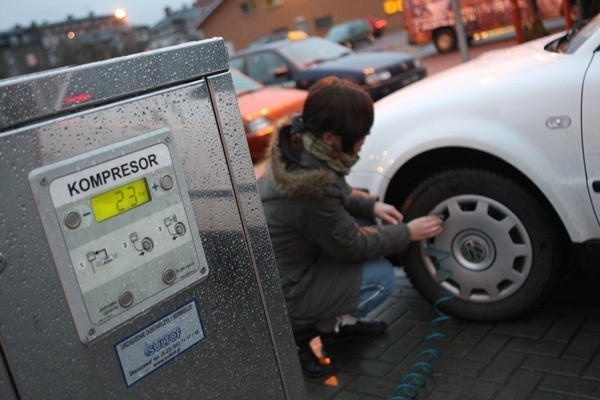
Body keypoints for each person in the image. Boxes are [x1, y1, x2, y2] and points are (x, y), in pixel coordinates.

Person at [257, 76, 443, 377]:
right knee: (382, 278)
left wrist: (370, 205)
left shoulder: (301, 145)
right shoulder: (309, 190)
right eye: (359, 137)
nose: (362, 143)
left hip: (294, 261)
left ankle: (337, 321)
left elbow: (336, 191)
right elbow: (352, 245)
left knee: (367, 222)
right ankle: (304, 333)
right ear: (331, 138)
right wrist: (408, 233)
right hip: (290, 289)